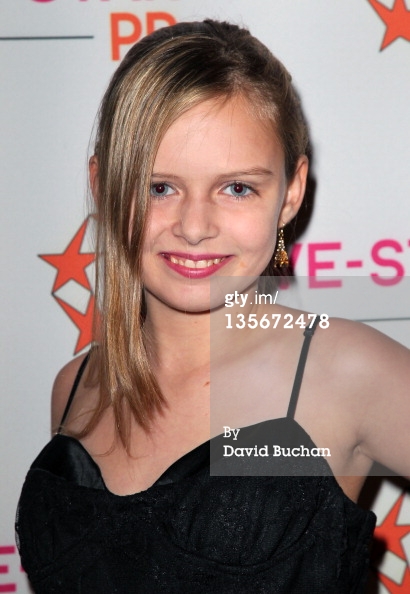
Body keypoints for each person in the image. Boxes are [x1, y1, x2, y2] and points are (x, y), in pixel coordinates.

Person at [16, 20, 410, 593]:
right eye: (159, 187)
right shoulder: (76, 387)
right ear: (104, 188)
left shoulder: (345, 371)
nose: (194, 226)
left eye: (236, 188)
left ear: (291, 193)